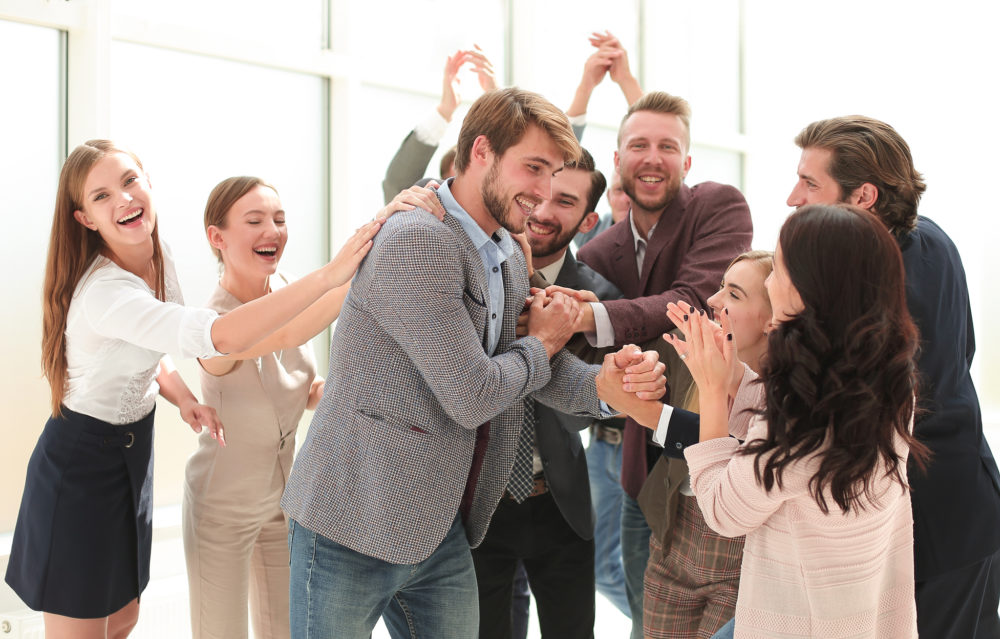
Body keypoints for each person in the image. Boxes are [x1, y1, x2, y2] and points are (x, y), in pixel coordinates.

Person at [281, 88, 666, 639]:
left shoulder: (507, 251)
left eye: (552, 173)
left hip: (442, 529)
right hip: (352, 518)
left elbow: (528, 368)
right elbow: (475, 393)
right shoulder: (417, 240)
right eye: (532, 168)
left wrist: (608, 387)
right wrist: (548, 340)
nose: (542, 191)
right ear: (482, 151)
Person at [3, 140, 381, 639]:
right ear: (85, 218)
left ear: (149, 184)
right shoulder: (106, 293)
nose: (123, 198)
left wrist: (182, 397)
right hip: (81, 464)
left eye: (130, 181)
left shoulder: (157, 257)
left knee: (123, 619)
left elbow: (146, 348)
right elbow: (221, 334)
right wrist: (336, 276)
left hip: (131, 455)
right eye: (102, 196)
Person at [180, 177, 442, 638]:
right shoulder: (213, 326)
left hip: (286, 500)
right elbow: (288, 331)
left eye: (279, 219)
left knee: (284, 631)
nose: (273, 231)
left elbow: (306, 388)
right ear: (216, 237)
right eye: (255, 220)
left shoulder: (285, 287)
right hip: (222, 505)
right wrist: (375, 232)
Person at [786, 116, 1000, 638]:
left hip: (933, 517)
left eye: (809, 182)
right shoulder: (929, 239)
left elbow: (854, 401)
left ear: (863, 194)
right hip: (960, 505)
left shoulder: (879, 278)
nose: (793, 197)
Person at [656, 203, 923, 637]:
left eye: (777, 271)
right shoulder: (886, 374)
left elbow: (723, 511)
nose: (770, 283)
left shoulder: (802, 410)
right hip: (864, 612)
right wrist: (732, 376)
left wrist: (710, 388)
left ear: (807, 288)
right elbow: (781, 457)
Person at [565, 90, 752, 638]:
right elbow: (590, 356)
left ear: (687, 162)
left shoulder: (718, 207)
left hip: (714, 462)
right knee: (650, 624)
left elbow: (690, 300)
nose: (652, 157)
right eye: (638, 145)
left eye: (667, 146)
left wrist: (592, 315)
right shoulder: (598, 256)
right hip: (639, 470)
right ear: (618, 160)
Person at [472, 147, 621, 639]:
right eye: (543, 193)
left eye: (566, 202)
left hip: (560, 503)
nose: (544, 209)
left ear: (587, 219)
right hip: (478, 502)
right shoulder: (477, 269)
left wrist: (558, 332)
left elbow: (587, 416)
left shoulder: (600, 300)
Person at [631, 251, 772, 639]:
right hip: (675, 534)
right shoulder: (695, 355)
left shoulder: (784, 392)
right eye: (721, 287)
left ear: (772, 319)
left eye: (735, 294)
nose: (713, 300)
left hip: (741, 553)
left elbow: (730, 453)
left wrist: (646, 412)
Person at [381, 45, 497, 202]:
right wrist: (444, 110)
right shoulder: (434, 210)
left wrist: (498, 104)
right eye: (457, 175)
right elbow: (398, 188)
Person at [568, 30, 641, 250]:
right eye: (620, 191)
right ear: (608, 197)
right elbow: (560, 163)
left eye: (634, 192)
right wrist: (586, 86)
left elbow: (655, 132)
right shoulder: (590, 234)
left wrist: (626, 80)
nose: (627, 200)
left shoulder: (669, 230)